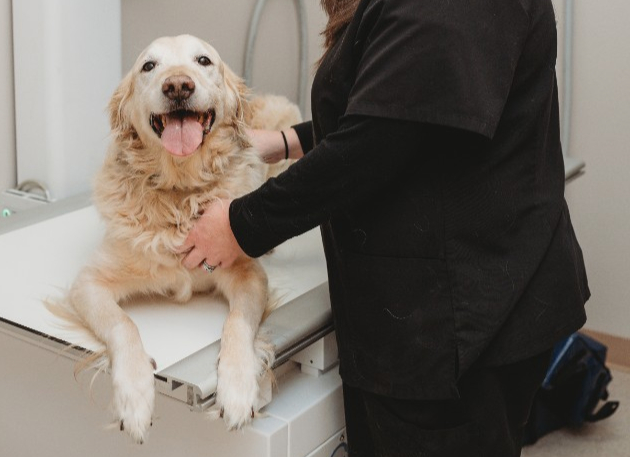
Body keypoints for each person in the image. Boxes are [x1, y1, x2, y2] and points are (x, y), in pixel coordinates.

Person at [180, 0, 590, 455]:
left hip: (458, 324)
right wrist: (287, 141)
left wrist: (239, 224)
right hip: (451, 299)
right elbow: (406, 103)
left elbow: (376, 142)